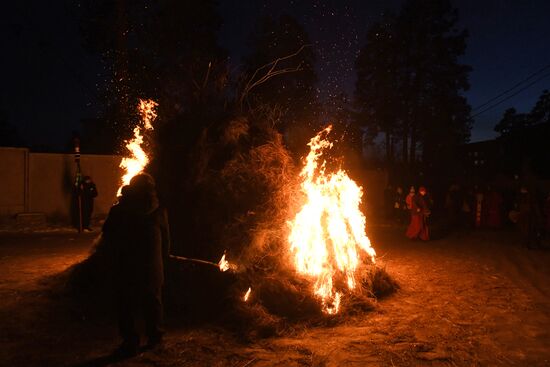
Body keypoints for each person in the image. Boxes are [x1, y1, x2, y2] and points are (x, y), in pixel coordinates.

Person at [102, 173, 171, 356]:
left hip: (126, 265)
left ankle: (131, 341)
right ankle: (155, 337)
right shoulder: (159, 210)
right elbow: (166, 241)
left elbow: (107, 236)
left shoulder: (119, 210)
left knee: (126, 303)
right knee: (153, 301)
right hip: (152, 266)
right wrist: (163, 260)